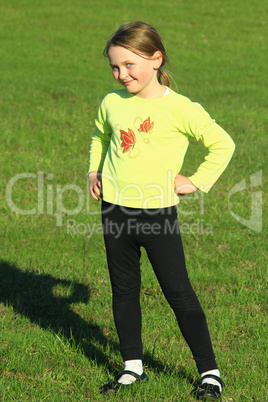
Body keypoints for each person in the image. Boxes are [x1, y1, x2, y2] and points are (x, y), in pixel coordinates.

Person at [88, 21, 235, 400]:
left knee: (178, 293)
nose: (122, 75)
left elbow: (222, 143)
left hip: (157, 216)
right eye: (115, 68)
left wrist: (196, 181)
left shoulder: (180, 108)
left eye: (129, 65)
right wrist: (94, 170)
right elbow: (101, 136)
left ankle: (210, 372)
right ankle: (132, 368)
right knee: (123, 291)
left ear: (156, 59)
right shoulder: (111, 102)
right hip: (114, 212)